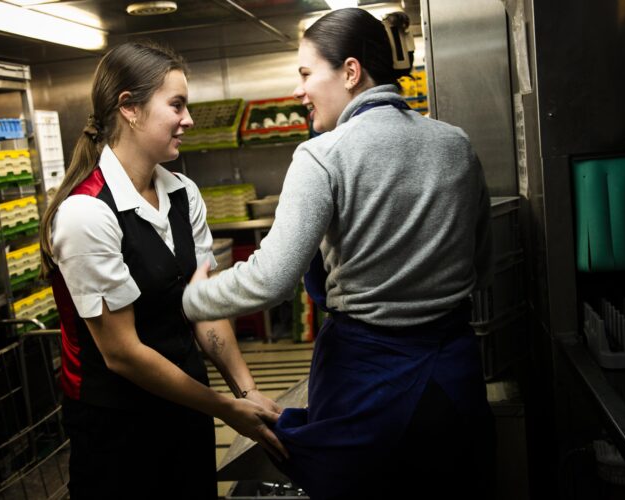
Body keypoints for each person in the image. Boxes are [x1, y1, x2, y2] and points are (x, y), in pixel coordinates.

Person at [182, 8, 496, 500]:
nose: (298, 91)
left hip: (364, 381)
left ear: (351, 73)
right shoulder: (456, 145)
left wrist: (193, 300)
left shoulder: (324, 155)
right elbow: (481, 261)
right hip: (452, 377)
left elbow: (271, 279)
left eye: (307, 73)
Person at [38, 41, 287, 499]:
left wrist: (246, 392)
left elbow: (203, 306)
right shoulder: (86, 213)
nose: (188, 119)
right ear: (129, 109)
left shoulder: (182, 193)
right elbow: (122, 352)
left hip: (187, 405)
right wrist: (226, 409)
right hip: (118, 428)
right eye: (177, 105)